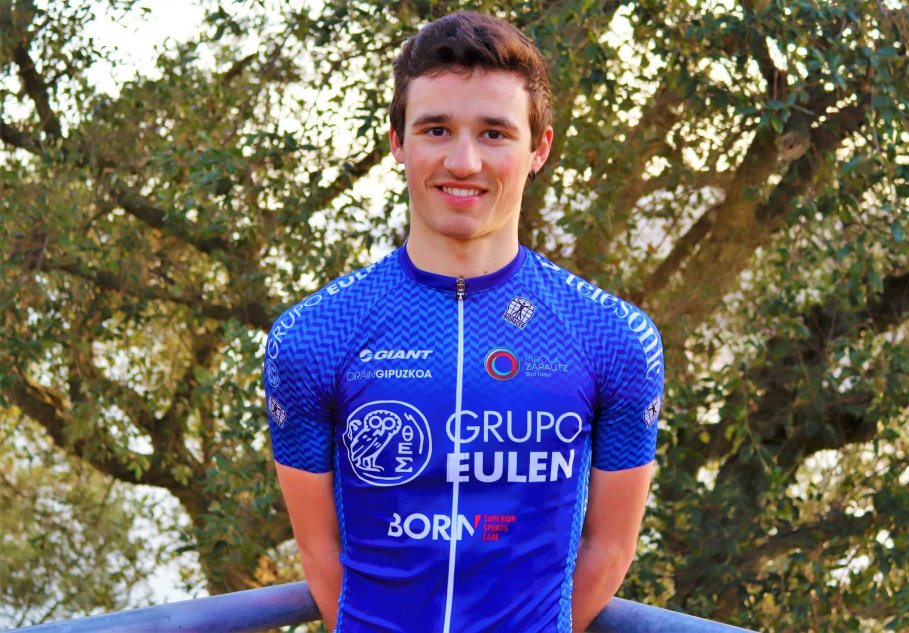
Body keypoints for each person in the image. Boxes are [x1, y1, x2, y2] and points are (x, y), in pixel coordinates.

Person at [264, 11, 663, 633]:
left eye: (494, 133)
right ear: (398, 142)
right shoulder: (313, 335)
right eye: (436, 129)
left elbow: (609, 550)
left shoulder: (614, 338)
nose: (463, 161)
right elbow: (320, 554)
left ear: (539, 149)